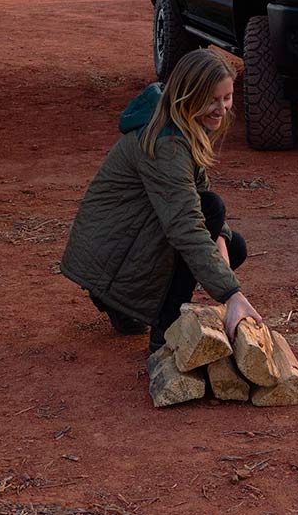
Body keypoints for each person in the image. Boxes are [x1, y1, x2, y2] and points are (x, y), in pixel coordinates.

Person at [59, 49, 263, 351]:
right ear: (188, 95)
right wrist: (231, 295)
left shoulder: (183, 124)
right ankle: (165, 331)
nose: (222, 108)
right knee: (209, 212)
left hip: (124, 243)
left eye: (228, 97)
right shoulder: (166, 143)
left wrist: (219, 236)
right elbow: (186, 225)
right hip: (110, 255)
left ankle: (118, 302)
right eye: (213, 99)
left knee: (232, 246)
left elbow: (197, 189)